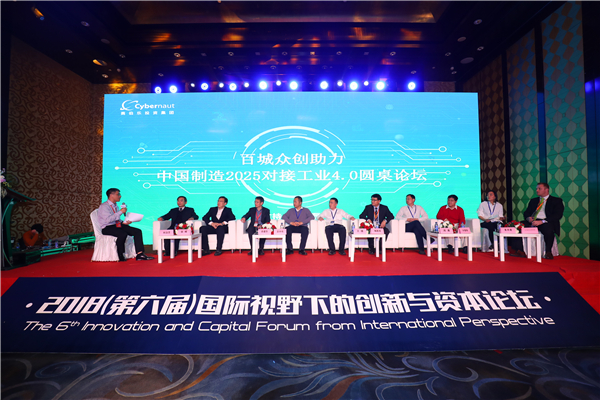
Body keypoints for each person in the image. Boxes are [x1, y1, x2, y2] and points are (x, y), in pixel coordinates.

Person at [510, 182, 564, 260]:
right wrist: (528, 218)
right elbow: (526, 212)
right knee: (517, 226)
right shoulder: (534, 201)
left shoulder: (556, 201)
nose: (537, 190)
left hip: (546, 221)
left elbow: (557, 215)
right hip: (533, 220)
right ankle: (520, 250)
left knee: (549, 229)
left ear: (546, 190)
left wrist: (542, 221)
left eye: (539, 189)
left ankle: (548, 252)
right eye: (536, 189)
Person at [98, 188, 154, 261]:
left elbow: (116, 218)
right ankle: (120, 255)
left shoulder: (115, 205)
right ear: (111, 195)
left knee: (137, 231)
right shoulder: (104, 206)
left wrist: (124, 222)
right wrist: (120, 212)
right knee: (122, 234)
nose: (120, 196)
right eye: (118, 194)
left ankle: (140, 254)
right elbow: (108, 220)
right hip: (107, 227)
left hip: (117, 225)